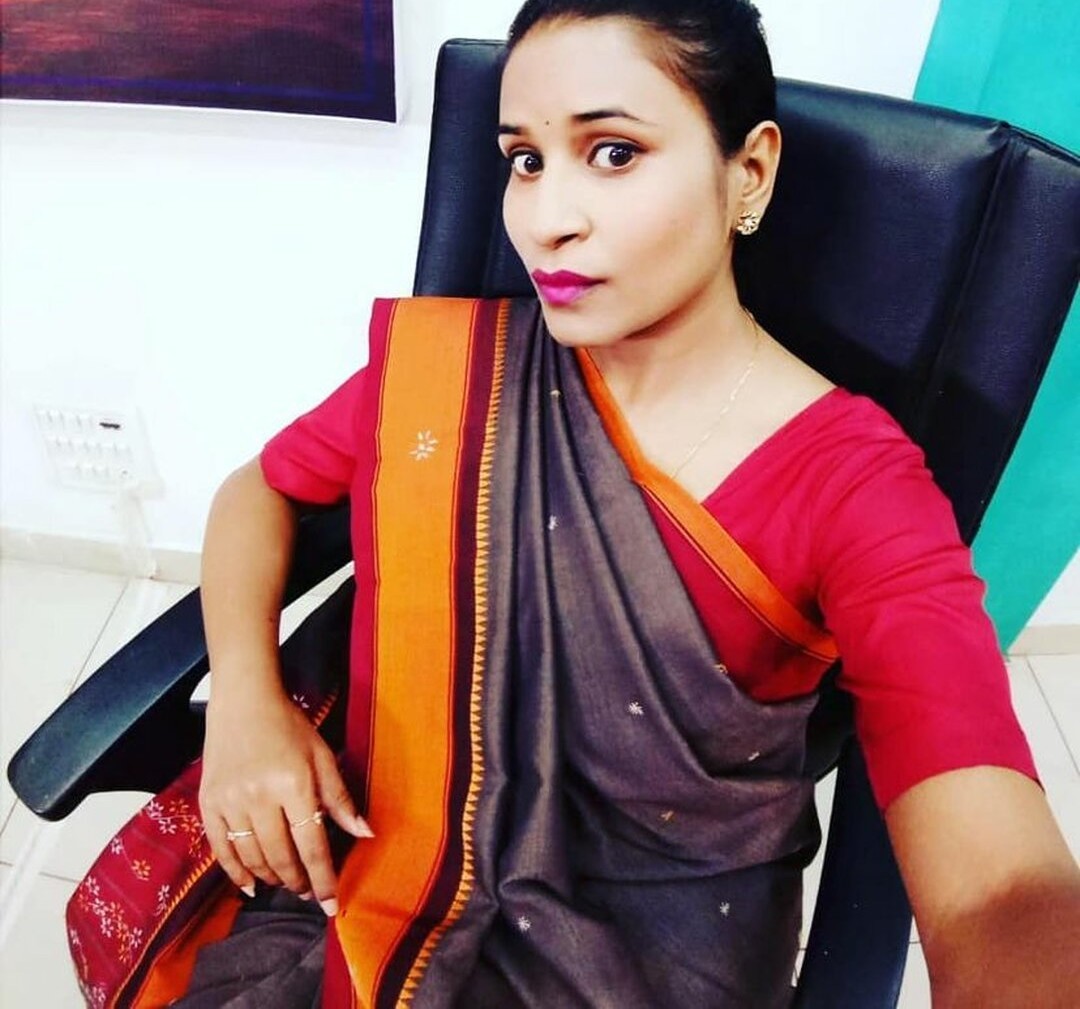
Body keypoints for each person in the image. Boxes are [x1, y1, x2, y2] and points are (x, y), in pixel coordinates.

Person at [85, 1, 1080, 1005]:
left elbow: (1001, 884)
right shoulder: (461, 371)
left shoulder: (853, 485)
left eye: (613, 152)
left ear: (749, 172)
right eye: (525, 159)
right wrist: (246, 702)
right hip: (373, 875)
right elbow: (260, 488)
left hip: (651, 960)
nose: (544, 218)